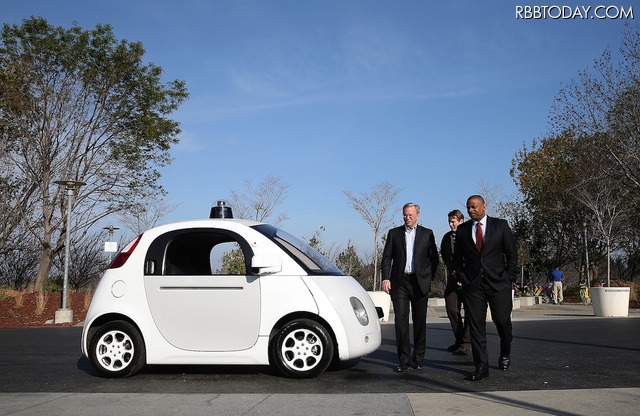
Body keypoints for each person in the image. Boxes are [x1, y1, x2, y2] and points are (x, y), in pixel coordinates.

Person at [454, 195, 518, 381]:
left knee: (502, 322)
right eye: (468, 208)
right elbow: (457, 258)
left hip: (499, 284)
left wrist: (509, 278)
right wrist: (462, 277)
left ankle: (505, 352)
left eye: (473, 207)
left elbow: (511, 254)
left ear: (484, 206)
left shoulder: (501, 226)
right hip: (473, 286)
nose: (470, 210)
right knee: (476, 327)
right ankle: (481, 367)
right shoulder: (463, 229)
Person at [382, 202, 439, 373]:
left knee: (420, 322)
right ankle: (404, 360)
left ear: (418, 216)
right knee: (401, 322)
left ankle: (418, 358)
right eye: (405, 215)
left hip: (419, 282)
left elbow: (434, 259)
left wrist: (428, 278)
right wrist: (385, 278)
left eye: (411, 215)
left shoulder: (427, 234)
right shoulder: (394, 233)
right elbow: (386, 258)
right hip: (400, 283)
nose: (407, 218)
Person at [440, 209, 471, 356]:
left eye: (453, 221)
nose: (451, 224)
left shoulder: (469, 235)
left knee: (471, 312)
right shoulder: (446, 238)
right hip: (453, 281)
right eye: (449, 222)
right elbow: (445, 257)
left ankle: (467, 343)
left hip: (468, 281)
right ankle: (459, 341)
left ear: (461, 221)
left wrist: (465, 277)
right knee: (452, 309)